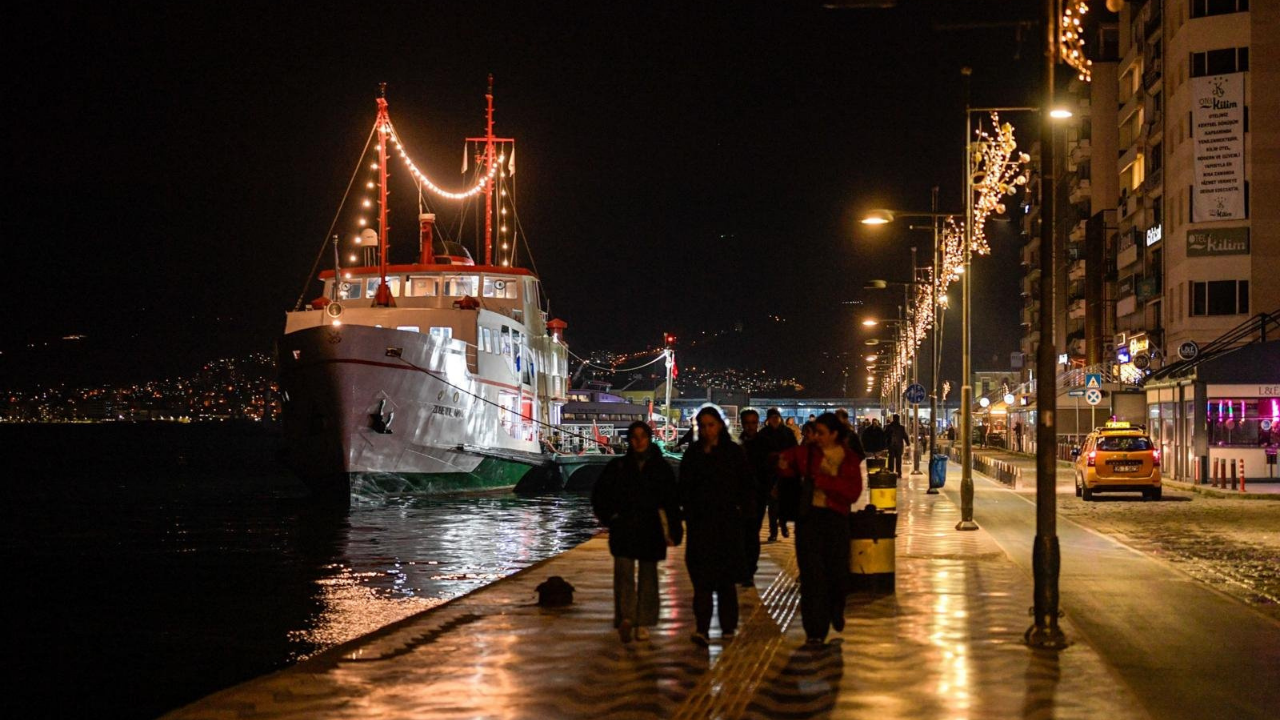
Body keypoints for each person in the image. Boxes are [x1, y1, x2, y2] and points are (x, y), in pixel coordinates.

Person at [591, 422, 683, 643]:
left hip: (650, 528)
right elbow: (600, 495)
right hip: (625, 526)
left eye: (643, 436)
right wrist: (610, 517)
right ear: (629, 440)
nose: (639, 441)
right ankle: (627, 618)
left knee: (648, 576)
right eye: (634, 437)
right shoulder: (618, 466)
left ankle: (642, 621)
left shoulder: (660, 468)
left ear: (649, 438)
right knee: (624, 573)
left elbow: (671, 501)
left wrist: (674, 529)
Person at [777, 413, 864, 646]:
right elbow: (785, 461)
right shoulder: (807, 452)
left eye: (821, 433)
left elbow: (852, 492)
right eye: (814, 432)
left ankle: (836, 608)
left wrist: (824, 482)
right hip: (809, 519)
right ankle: (815, 630)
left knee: (836, 573)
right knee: (811, 576)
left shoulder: (848, 458)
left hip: (836, 520)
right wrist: (782, 466)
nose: (816, 437)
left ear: (834, 434)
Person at [678, 407, 755, 646]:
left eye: (710, 425)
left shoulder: (733, 453)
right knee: (701, 580)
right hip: (701, 524)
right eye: (703, 426)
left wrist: (744, 515)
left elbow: (745, 485)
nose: (707, 430)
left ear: (720, 425)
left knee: (725, 580)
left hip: (726, 523)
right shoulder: (693, 453)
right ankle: (702, 628)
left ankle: (728, 626)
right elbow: (684, 488)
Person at [742, 408, 798, 553]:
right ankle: (773, 531)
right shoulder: (760, 436)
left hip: (778, 475)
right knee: (770, 507)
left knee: (779, 504)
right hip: (760, 482)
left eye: (776, 417)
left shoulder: (785, 433)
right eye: (772, 417)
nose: (774, 420)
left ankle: (782, 524)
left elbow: (793, 450)